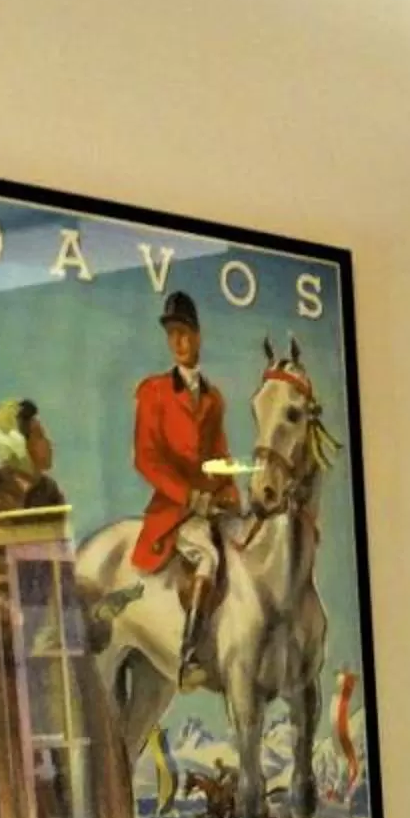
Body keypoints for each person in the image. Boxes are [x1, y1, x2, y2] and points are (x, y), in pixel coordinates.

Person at [131, 289, 236, 676]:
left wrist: (230, 498)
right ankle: (190, 653)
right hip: (175, 511)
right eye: (172, 333)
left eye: (185, 332)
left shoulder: (213, 398)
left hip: (211, 506)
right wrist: (189, 496)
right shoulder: (153, 392)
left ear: (198, 336)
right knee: (207, 556)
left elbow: (221, 458)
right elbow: (146, 458)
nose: (178, 341)